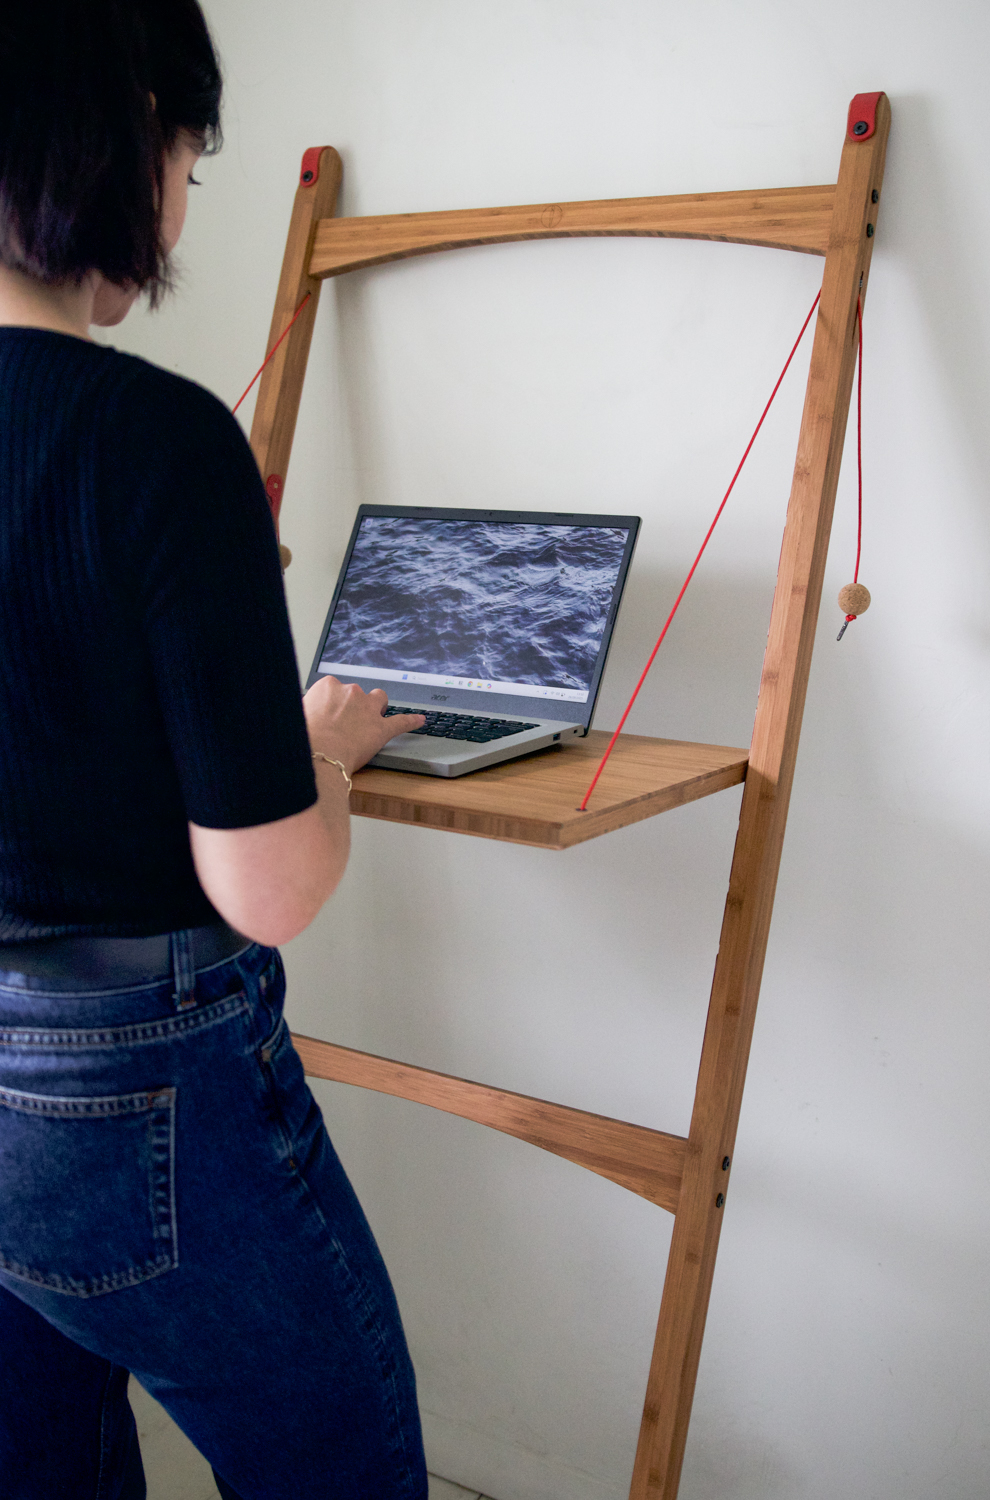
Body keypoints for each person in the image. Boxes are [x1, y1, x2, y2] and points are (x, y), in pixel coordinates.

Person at [0, 3, 428, 1496]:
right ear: (125, 137)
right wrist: (325, 751)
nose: (181, 199)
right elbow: (271, 888)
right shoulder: (161, 441)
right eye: (189, 156)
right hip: (131, 1083)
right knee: (345, 1468)